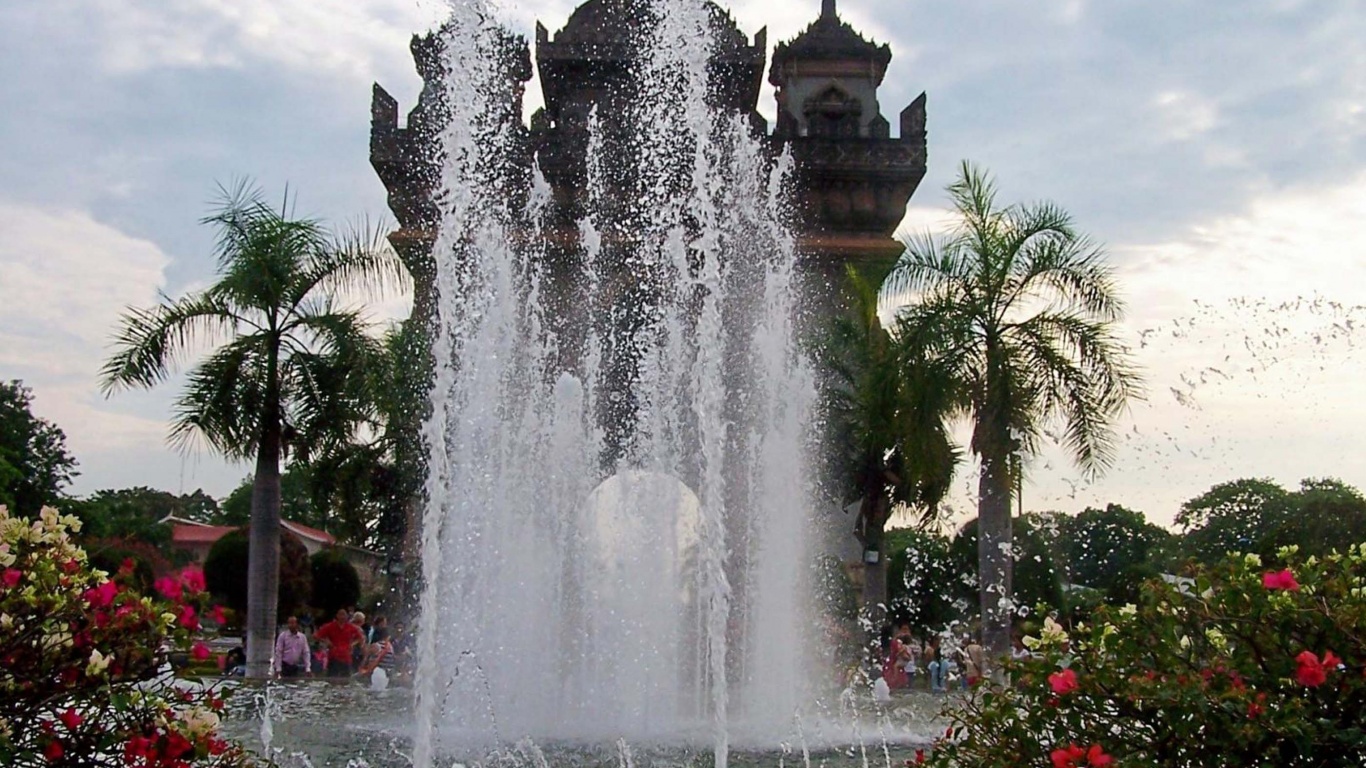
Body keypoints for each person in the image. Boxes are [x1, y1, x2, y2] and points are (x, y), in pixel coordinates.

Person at [315, 608, 365, 678]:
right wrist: (327, 641)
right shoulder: (330, 626)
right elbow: (317, 635)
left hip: (346, 657)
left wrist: (352, 644)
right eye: (340, 614)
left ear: (347, 616)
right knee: (332, 679)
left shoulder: (350, 627)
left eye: (344, 614)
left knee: (346, 679)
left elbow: (361, 638)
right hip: (333, 656)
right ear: (337, 615)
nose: (342, 617)